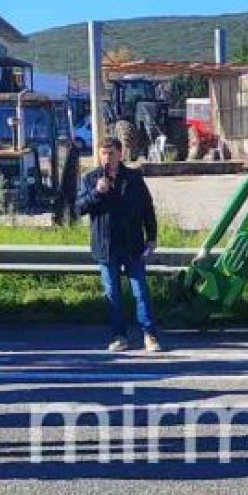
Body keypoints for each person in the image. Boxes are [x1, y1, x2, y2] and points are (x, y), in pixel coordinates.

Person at [76, 137, 161, 352]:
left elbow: (147, 208)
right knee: (113, 294)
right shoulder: (90, 178)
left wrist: (151, 237)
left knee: (140, 291)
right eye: (103, 153)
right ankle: (119, 336)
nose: (107, 157)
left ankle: (149, 335)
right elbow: (79, 208)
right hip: (106, 247)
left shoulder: (133, 178)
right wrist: (97, 192)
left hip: (132, 244)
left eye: (111, 153)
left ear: (120, 154)